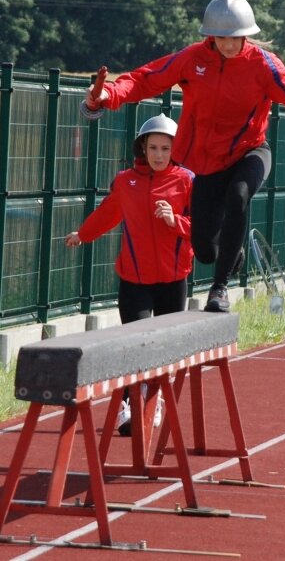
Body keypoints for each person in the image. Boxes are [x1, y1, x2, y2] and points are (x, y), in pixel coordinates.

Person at [80, 0, 285, 312]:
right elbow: (146, 79)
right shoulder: (192, 59)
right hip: (207, 163)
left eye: (237, 38)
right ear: (210, 36)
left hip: (251, 151)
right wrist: (109, 94)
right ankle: (233, 253)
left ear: (248, 35)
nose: (230, 45)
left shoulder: (264, 66)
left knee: (239, 193)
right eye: (222, 38)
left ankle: (219, 290)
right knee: (204, 247)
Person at [65, 113, 193, 434]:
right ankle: (125, 405)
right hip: (134, 280)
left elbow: (204, 229)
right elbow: (108, 212)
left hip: (173, 279)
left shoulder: (187, 182)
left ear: (174, 149)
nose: (159, 155)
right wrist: (84, 233)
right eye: (153, 148)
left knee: (164, 348)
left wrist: (174, 220)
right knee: (136, 343)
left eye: (165, 148)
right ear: (143, 148)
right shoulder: (126, 181)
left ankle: (153, 400)